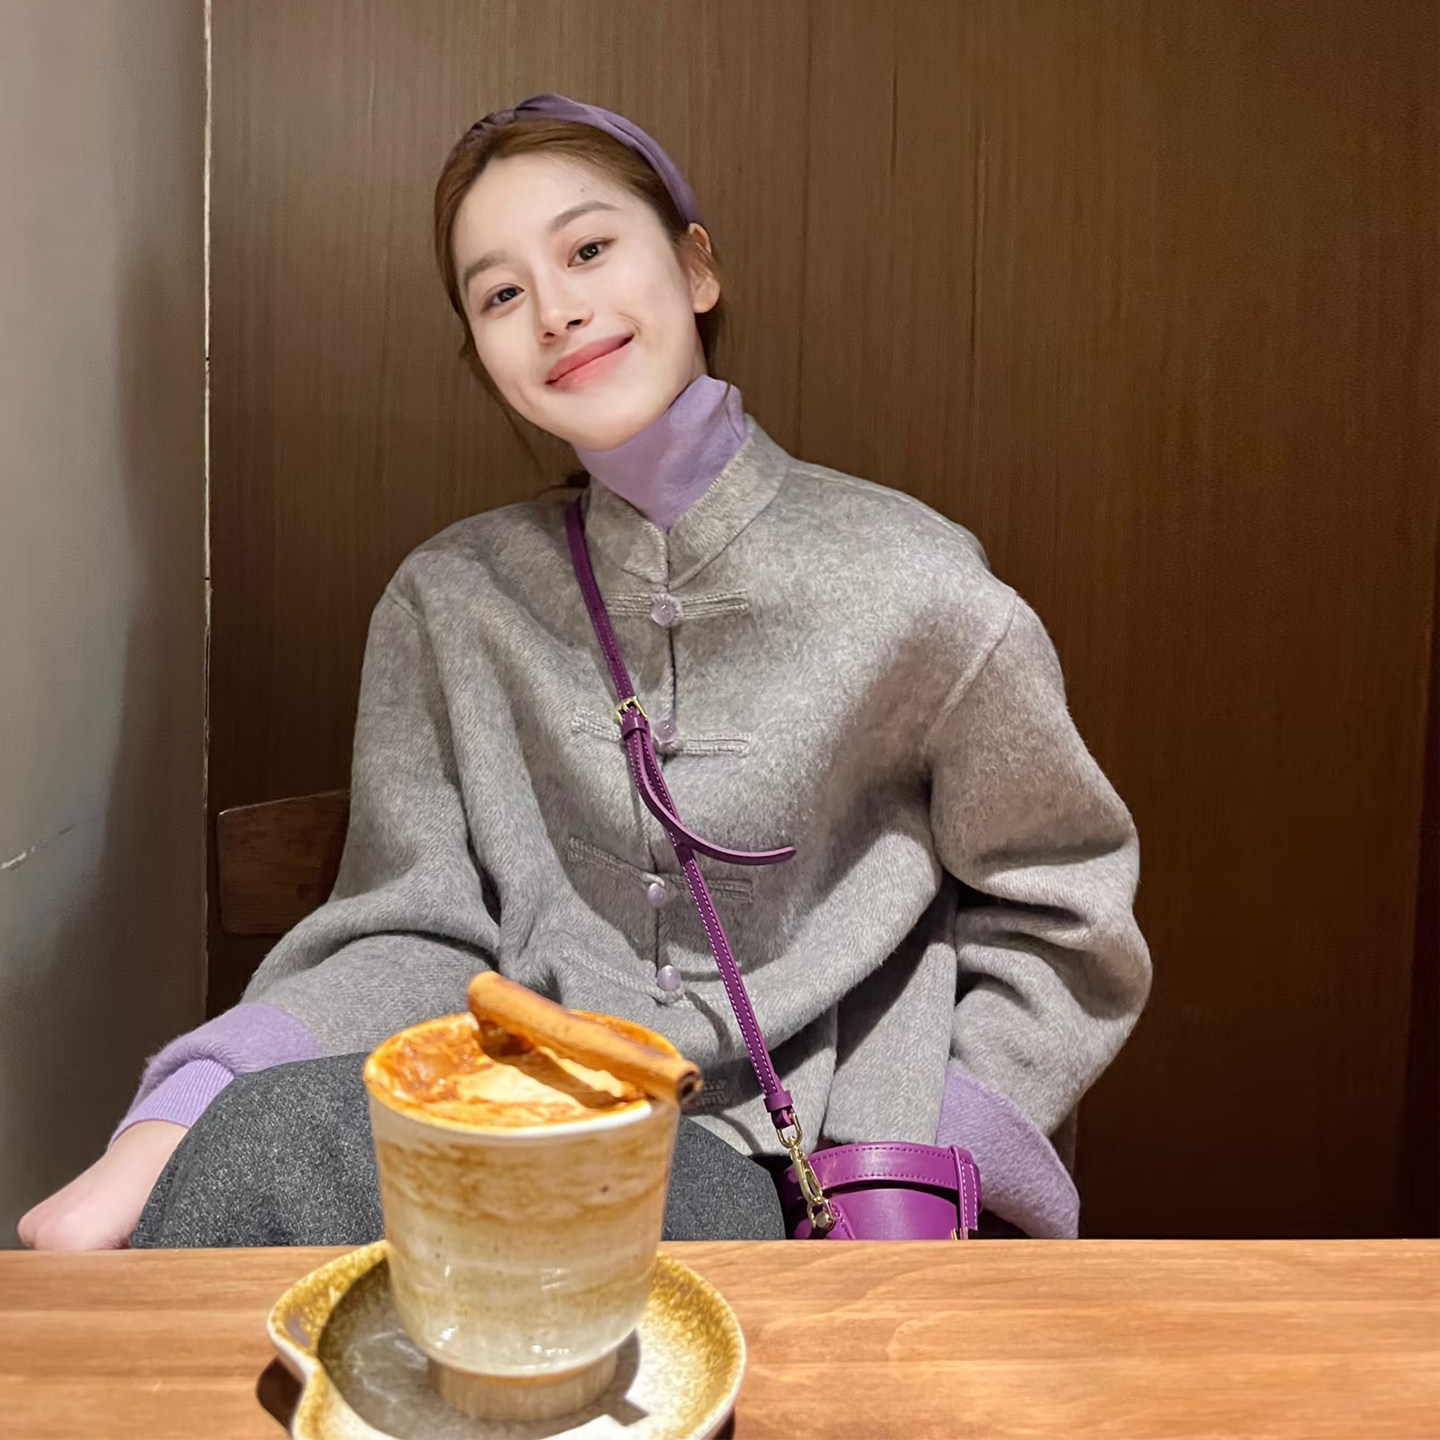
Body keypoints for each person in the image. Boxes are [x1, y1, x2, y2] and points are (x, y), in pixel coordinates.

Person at [19, 94, 1150, 1251]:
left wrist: (946, 1140)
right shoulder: (448, 600)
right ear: (483, 356)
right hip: (518, 1132)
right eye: (501, 294)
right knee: (271, 1152)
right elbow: (410, 931)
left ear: (696, 269)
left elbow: (1065, 903)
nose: (556, 310)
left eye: (590, 249)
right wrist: (178, 1119)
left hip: (802, 1182)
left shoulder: (920, 584)